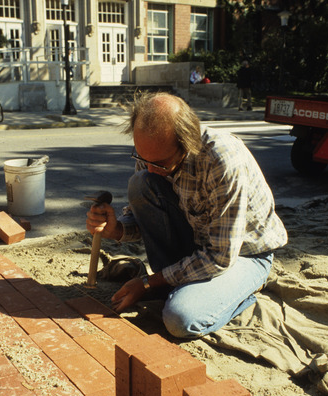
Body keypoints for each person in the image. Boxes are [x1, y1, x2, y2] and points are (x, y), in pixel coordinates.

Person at [86, 93, 287, 339]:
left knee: (180, 319)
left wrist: (150, 282)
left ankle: (243, 289)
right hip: (198, 244)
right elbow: (145, 220)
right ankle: (174, 285)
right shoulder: (152, 152)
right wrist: (115, 230)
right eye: (142, 158)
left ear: (187, 143)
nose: (150, 168)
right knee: (140, 183)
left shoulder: (222, 161)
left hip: (244, 254)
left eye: (160, 163)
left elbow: (220, 257)